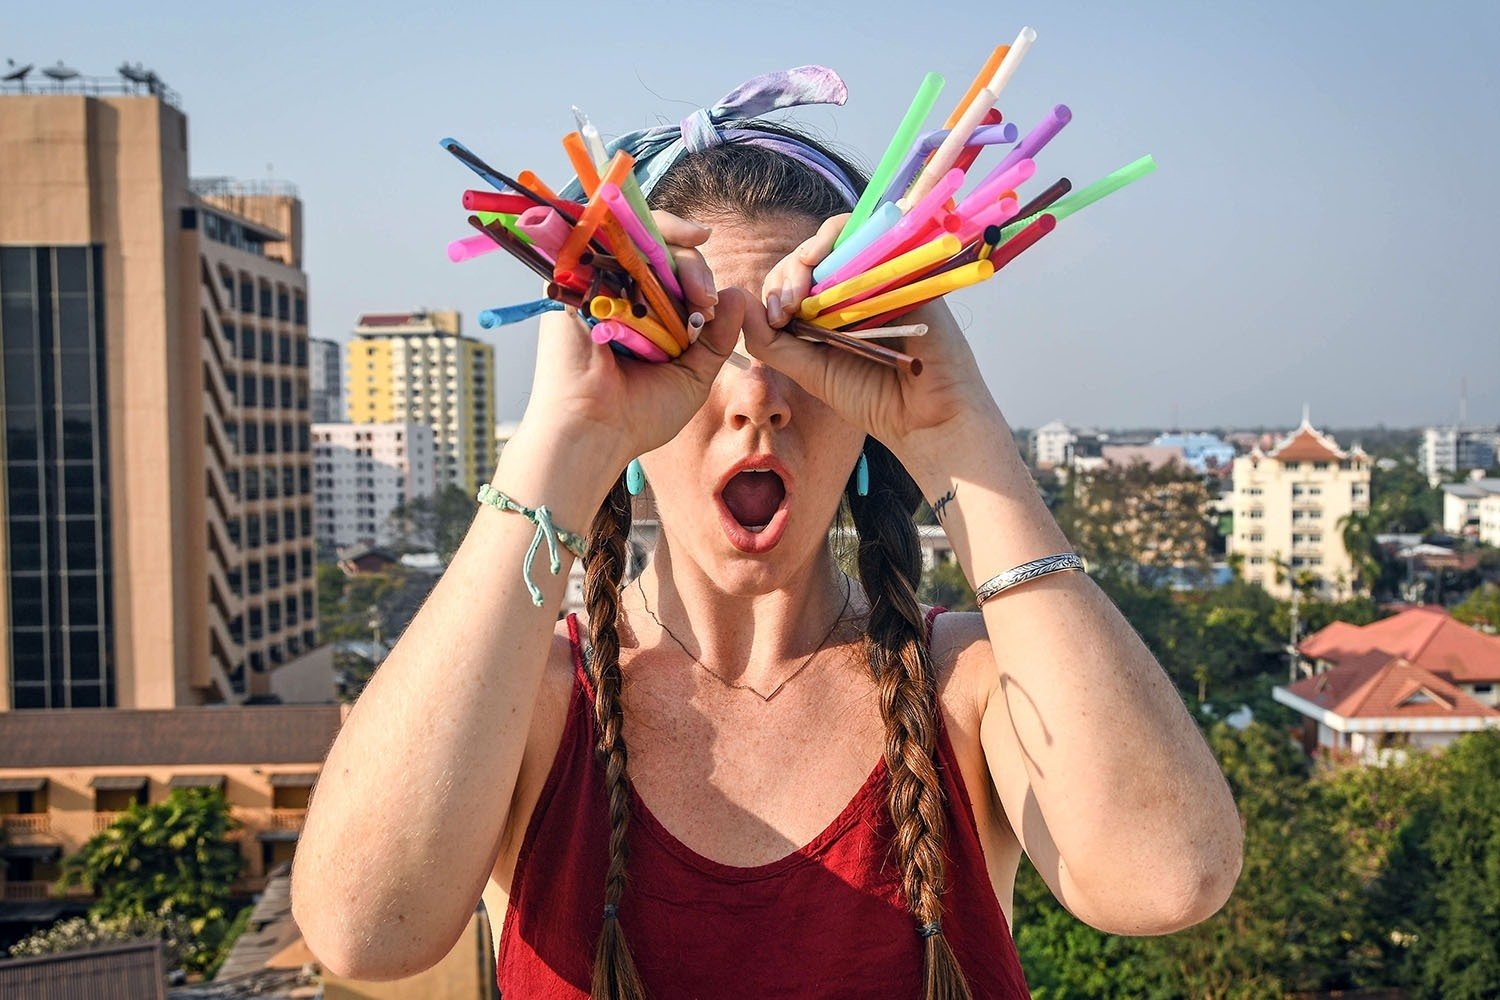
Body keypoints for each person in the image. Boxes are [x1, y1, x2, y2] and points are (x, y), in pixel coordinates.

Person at [292, 68, 1243, 999]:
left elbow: (1167, 879)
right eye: (691, 344)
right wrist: (562, 442)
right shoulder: (527, 703)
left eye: (810, 339)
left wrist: (960, 434)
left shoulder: (972, 685)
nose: (756, 395)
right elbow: (362, 931)